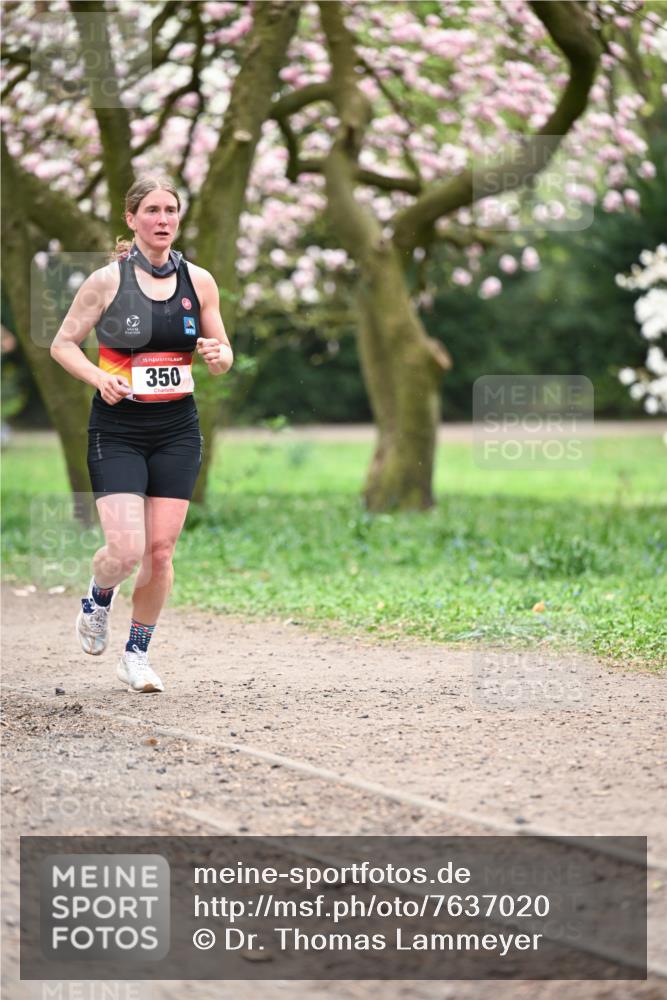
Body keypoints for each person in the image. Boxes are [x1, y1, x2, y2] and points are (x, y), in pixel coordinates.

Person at [50, 175, 233, 693]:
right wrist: (98, 377)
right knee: (126, 550)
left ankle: (136, 654)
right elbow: (62, 345)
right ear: (132, 220)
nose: (163, 219)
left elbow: (221, 353)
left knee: (160, 552)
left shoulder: (201, 281)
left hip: (178, 427)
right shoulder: (106, 282)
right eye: (151, 210)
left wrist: (221, 357)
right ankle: (97, 596)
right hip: (119, 429)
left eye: (170, 210)